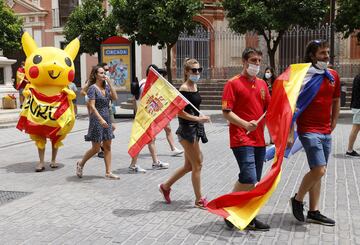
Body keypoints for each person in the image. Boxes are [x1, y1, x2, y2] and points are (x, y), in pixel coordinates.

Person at [290, 40, 340, 226]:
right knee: (319, 169)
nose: (326, 56)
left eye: (327, 53)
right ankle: (297, 199)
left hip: (326, 129)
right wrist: (289, 131)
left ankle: (314, 211)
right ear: (312, 56)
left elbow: (336, 100)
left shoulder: (332, 75)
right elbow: (290, 104)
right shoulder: (302, 76)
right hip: (308, 129)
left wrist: (334, 121)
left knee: (317, 172)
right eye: (322, 53)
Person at [220, 48, 271, 231]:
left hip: (259, 140)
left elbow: (269, 110)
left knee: (251, 180)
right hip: (241, 139)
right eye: (252, 60)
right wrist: (244, 124)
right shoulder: (232, 84)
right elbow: (226, 113)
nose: (256, 64)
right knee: (249, 177)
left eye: (258, 60)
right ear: (244, 61)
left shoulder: (263, 85)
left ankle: (235, 211)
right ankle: (241, 214)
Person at [158, 58, 210, 208]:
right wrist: (199, 119)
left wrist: (199, 119)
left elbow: (192, 109)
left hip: (195, 129)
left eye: (199, 70)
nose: (197, 73)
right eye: (194, 70)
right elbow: (179, 113)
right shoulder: (184, 89)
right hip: (187, 131)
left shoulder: (194, 86)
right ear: (186, 72)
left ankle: (165, 187)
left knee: (189, 166)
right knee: (198, 165)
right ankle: (199, 199)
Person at [129, 64, 182, 173]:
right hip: (146, 116)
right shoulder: (145, 85)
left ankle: (155, 162)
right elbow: (149, 101)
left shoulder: (145, 83)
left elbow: (136, 100)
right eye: (157, 74)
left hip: (145, 115)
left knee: (150, 139)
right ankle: (133, 165)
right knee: (142, 139)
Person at [76, 65, 119, 179]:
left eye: (104, 72)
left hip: (107, 119)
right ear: (95, 75)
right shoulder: (92, 88)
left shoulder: (107, 88)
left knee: (108, 147)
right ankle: (81, 163)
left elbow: (115, 97)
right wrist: (100, 119)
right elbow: (92, 106)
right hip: (97, 119)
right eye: (101, 73)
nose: (103, 74)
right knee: (95, 148)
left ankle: (108, 172)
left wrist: (110, 83)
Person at [346, 73, 360, 157]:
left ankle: (350, 150)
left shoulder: (357, 76)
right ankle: (349, 150)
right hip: (359, 106)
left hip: (357, 105)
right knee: (355, 128)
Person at [263, 67, 276, 144]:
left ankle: (272, 139)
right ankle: (262, 140)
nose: (267, 74)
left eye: (269, 72)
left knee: (271, 123)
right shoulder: (263, 82)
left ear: (272, 73)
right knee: (263, 123)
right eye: (266, 72)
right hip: (264, 106)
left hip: (273, 105)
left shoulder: (275, 82)